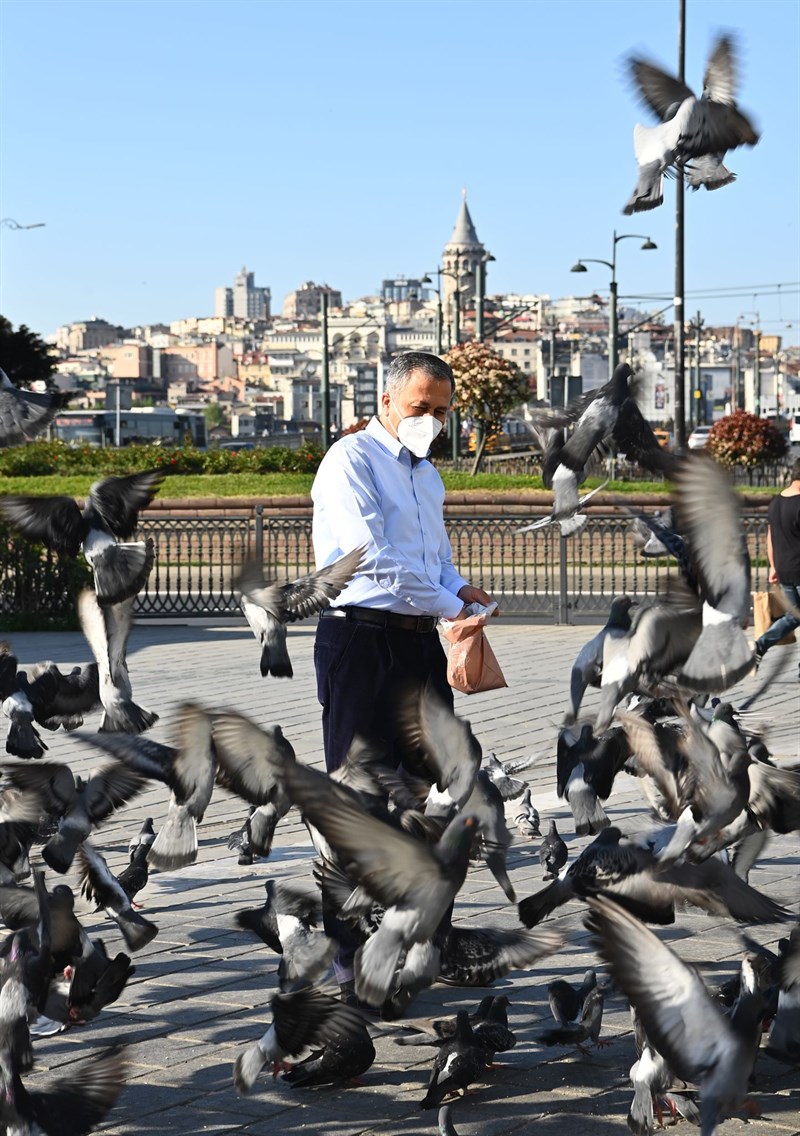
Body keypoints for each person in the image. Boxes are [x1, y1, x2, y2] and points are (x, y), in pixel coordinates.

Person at [311, 351, 493, 998]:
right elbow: (372, 562)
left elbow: (432, 559)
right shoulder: (350, 460)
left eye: (442, 412)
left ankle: (420, 941)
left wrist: (461, 590)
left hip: (419, 644)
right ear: (387, 401)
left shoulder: (427, 477)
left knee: (430, 798)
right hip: (360, 639)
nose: (432, 422)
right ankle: (349, 960)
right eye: (421, 408)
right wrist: (447, 602)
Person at [754, 456, 800, 674]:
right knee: (795, 616)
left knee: (795, 615)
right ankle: (761, 644)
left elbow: (770, 538)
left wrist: (774, 566)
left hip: (784, 570)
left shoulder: (777, 501)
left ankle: (761, 646)